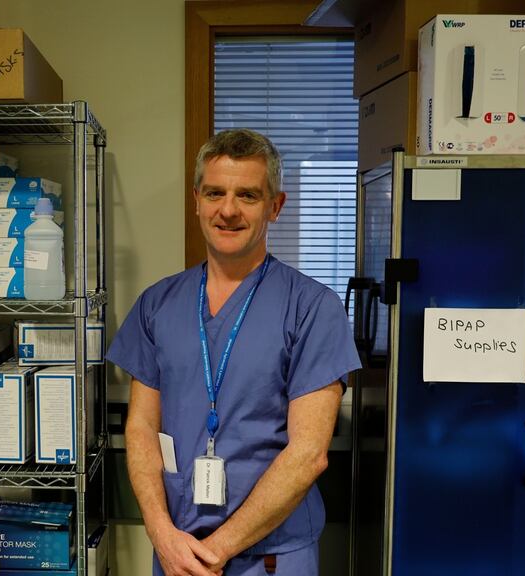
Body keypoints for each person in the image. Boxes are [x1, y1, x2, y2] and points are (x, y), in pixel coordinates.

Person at [107, 129, 361, 576]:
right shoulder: (158, 304)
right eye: (215, 193)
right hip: (177, 551)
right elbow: (142, 428)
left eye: (247, 195)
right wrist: (162, 534)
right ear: (197, 201)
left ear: (275, 206)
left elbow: (308, 454)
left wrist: (217, 550)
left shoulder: (312, 309)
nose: (228, 210)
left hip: (270, 558)